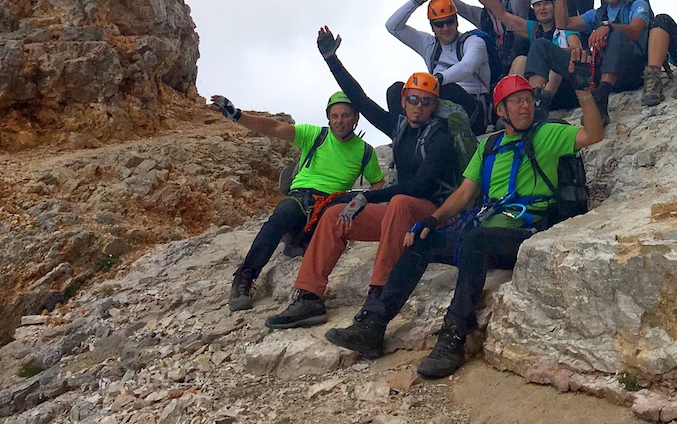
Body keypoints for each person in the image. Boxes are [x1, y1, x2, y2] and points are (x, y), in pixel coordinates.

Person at [324, 73, 603, 379]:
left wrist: (582, 90)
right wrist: (432, 220)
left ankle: (453, 338)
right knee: (421, 241)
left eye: (527, 100)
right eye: (516, 102)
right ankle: (373, 326)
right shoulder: (490, 146)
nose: (525, 107)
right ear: (501, 111)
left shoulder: (547, 134)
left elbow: (593, 135)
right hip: (486, 231)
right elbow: (464, 193)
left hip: (527, 230)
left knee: (476, 240)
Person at [265, 33, 461, 329]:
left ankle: (377, 296)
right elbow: (360, 100)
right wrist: (332, 60)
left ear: (433, 105)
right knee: (333, 216)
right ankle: (308, 297)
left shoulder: (440, 137)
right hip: (401, 215)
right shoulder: (399, 127)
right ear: (404, 100)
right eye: (413, 99)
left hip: (435, 215)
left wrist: (365, 196)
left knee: (398, 201)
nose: (418, 106)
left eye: (426, 101)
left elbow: (421, 187)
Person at [209, 91, 384, 312]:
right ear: (328, 118)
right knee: (282, 215)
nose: (340, 121)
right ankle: (245, 276)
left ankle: (296, 239)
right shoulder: (315, 135)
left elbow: (377, 183)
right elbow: (274, 128)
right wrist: (236, 115)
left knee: (339, 209)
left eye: (346, 115)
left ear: (356, 118)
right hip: (302, 196)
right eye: (335, 116)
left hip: (333, 202)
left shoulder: (365, 151)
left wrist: (365, 205)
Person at [386, 0, 491, 134]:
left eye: (450, 21)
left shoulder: (473, 42)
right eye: (439, 24)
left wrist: (438, 80)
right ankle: (405, 136)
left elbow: (468, 66)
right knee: (397, 91)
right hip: (434, 104)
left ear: (457, 21)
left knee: (446, 88)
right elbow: (392, 26)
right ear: (432, 27)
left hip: (473, 109)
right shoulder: (428, 44)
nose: (446, 28)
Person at [473, 0, 586, 118]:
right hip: (541, 88)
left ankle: (537, 103)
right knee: (520, 60)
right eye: (538, 5)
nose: (542, 8)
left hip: (566, 87)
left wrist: (551, 53)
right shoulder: (534, 29)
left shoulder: (566, 27)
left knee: (549, 58)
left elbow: (576, 50)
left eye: (546, 3)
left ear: (555, 5)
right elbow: (503, 15)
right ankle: (509, 107)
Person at [555, 0, 652, 124]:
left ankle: (602, 96)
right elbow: (563, 23)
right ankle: (541, 100)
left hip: (632, 71)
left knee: (618, 34)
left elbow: (636, 30)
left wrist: (609, 27)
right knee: (543, 47)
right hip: (602, 73)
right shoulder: (597, 14)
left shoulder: (637, 5)